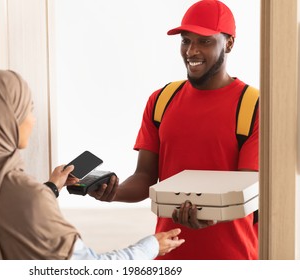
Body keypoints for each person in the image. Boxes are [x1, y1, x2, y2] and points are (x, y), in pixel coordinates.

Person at [0, 69, 185, 260]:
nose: (33, 120)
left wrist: (51, 187)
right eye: (27, 109)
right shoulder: (26, 198)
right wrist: (151, 246)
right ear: (4, 121)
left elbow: (8, 216)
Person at [90, 0, 259, 260]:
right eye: (185, 40)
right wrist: (112, 192)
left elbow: (246, 193)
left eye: (204, 41)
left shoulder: (254, 106)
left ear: (229, 43)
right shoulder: (161, 100)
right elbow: (145, 177)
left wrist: (210, 213)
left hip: (233, 258)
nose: (191, 51)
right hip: (168, 257)